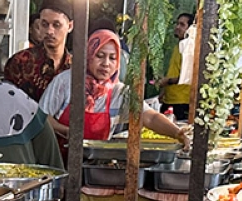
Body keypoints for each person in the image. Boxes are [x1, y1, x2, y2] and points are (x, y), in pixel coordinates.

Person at [39, 29, 189, 147]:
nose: (106, 63)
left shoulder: (120, 92)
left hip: (94, 164)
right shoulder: (66, 82)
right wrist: (66, 131)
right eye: (100, 56)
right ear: (89, 55)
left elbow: (150, 117)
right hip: (59, 158)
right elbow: (41, 117)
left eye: (112, 58)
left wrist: (177, 133)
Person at [3, 0, 73, 101]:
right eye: (44, 24)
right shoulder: (20, 62)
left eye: (56, 25)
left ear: (70, 26)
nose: (49, 31)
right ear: (39, 24)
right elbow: (7, 102)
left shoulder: (76, 68)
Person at [158, 13, 195, 120]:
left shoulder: (189, 49)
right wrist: (163, 92)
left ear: (190, 29)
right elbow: (174, 71)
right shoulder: (178, 46)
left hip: (181, 101)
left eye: (182, 25)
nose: (177, 27)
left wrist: (167, 81)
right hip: (169, 99)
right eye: (177, 24)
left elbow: (188, 77)